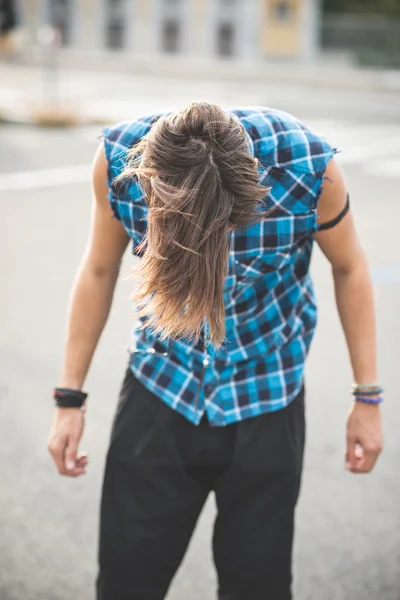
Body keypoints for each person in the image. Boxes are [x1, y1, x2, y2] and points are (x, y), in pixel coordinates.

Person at [47, 102, 383, 600]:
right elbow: (98, 268)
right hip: (160, 389)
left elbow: (351, 266)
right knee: (126, 581)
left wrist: (368, 398)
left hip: (267, 394)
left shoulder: (308, 167)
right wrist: (68, 399)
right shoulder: (119, 159)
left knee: (257, 586)